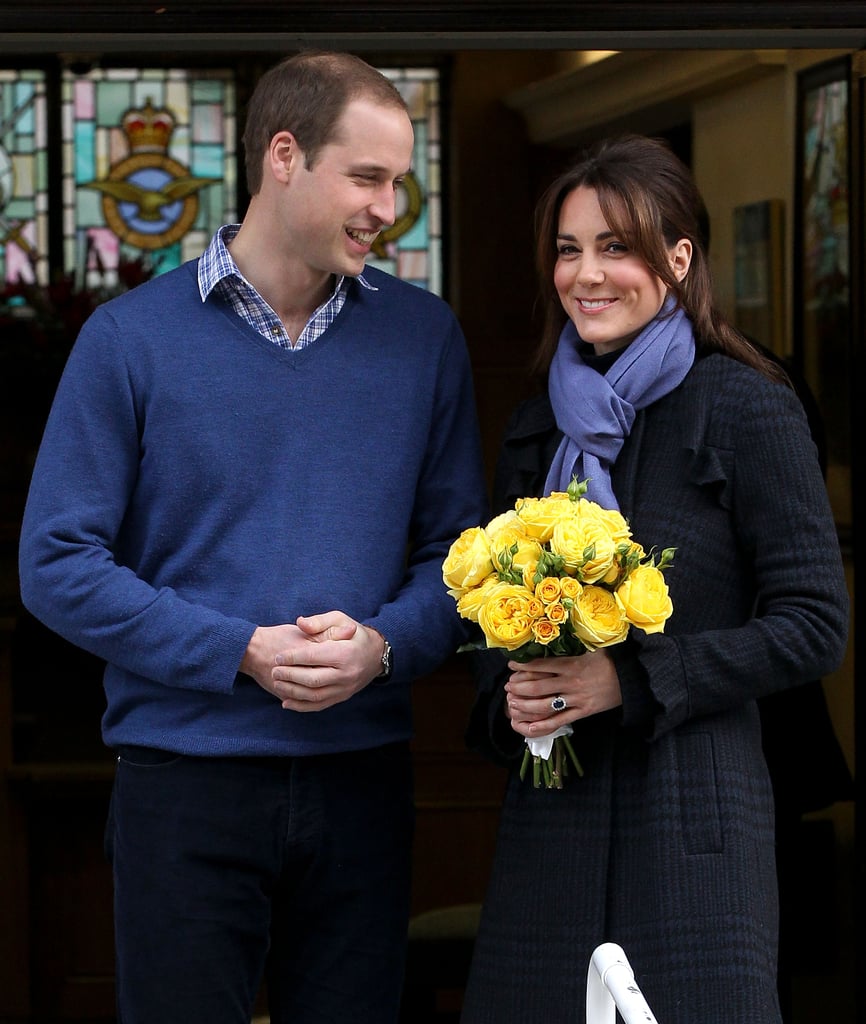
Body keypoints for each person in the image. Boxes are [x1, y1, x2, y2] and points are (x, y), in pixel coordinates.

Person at [18, 50, 488, 1024]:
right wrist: (236, 649)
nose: (386, 207)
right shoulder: (130, 338)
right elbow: (54, 562)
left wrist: (385, 644)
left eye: (398, 182)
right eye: (367, 176)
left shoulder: (423, 337)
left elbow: (462, 556)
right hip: (183, 785)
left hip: (361, 781)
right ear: (284, 155)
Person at [459, 134, 849, 1024]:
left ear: (677, 258)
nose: (587, 274)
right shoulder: (533, 425)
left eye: (615, 246)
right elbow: (485, 624)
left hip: (695, 829)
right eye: (568, 249)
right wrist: (509, 698)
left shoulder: (747, 402)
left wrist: (625, 680)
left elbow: (814, 622)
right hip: (549, 834)